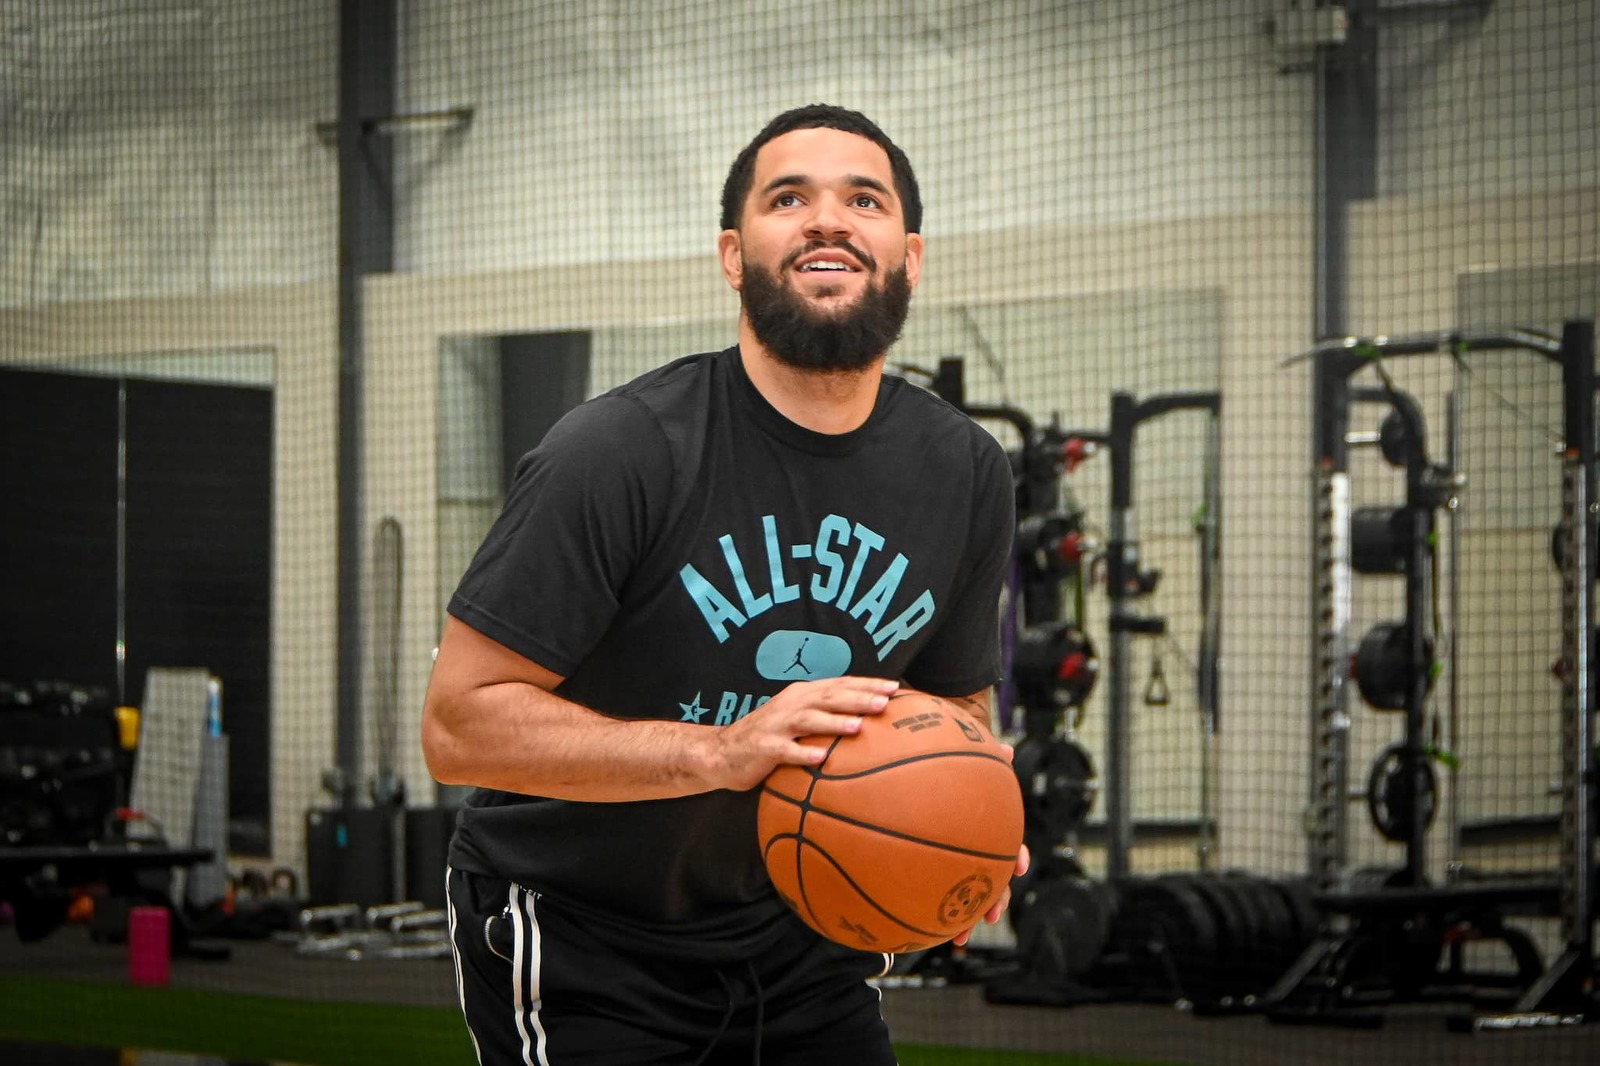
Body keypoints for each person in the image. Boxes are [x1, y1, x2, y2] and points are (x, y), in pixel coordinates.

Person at [422, 103, 1024, 1066]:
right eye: (789, 198)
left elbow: (953, 703)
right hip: (588, 934)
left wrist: (970, 817)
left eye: (862, 199)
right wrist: (722, 751)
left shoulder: (965, 471)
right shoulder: (617, 450)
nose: (828, 219)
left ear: (911, 256)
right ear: (734, 255)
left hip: (802, 930)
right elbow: (458, 728)